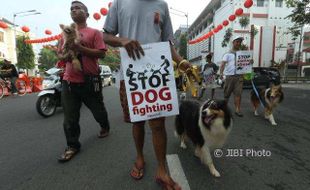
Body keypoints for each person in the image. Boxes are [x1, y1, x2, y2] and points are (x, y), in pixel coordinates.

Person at [103, 0, 192, 189]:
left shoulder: (162, 5)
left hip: (156, 74)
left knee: (158, 124)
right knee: (137, 121)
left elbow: (168, 43)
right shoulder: (120, 2)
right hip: (131, 74)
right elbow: (106, 35)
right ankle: (140, 156)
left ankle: (162, 170)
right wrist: (122, 40)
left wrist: (181, 61)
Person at [58, 1, 110, 162]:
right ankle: (72, 145)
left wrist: (80, 49)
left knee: (98, 110)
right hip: (69, 82)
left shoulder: (94, 33)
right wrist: (67, 54)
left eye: (78, 8)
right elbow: (60, 55)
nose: (74, 10)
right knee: (69, 118)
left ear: (87, 14)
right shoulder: (64, 34)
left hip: (90, 79)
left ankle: (104, 125)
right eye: (71, 9)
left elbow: (102, 54)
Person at [219, 36, 245, 117]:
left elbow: (246, 63)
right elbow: (222, 64)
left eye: (240, 42)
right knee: (227, 94)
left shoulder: (242, 54)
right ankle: (223, 109)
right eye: (237, 41)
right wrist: (221, 73)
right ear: (233, 42)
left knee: (238, 94)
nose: (239, 43)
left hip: (239, 77)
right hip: (229, 77)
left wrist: (250, 61)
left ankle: (237, 110)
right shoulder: (227, 54)